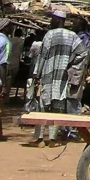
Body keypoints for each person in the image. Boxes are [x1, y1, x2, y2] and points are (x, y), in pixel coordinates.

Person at [31, 11, 80, 147]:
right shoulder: (73, 36)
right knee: (57, 109)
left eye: (53, 19)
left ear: (58, 20)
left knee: (42, 108)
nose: (51, 22)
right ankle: (53, 139)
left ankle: (40, 139)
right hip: (62, 79)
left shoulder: (49, 35)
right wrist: (71, 67)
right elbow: (82, 52)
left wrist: (37, 74)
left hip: (48, 76)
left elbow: (42, 56)